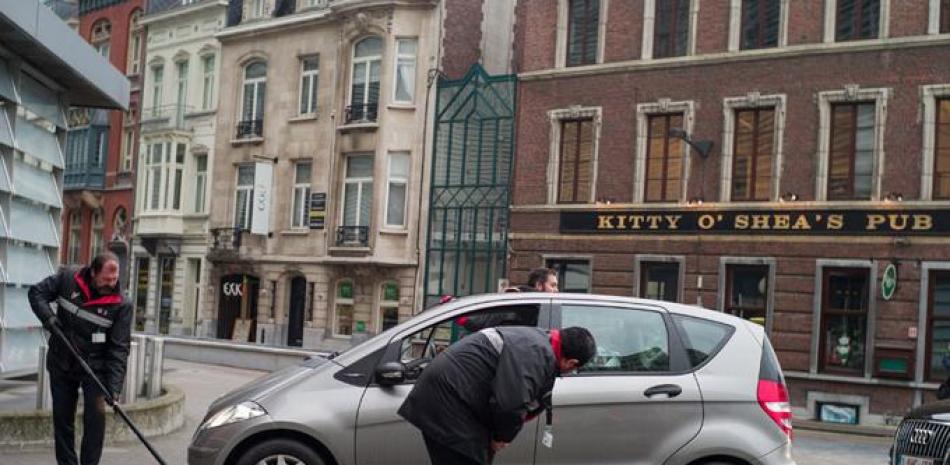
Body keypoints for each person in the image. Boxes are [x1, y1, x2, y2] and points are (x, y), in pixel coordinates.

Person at [398, 325, 596, 465]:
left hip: (449, 396)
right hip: (448, 400)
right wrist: (502, 437)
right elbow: (510, 403)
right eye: (573, 369)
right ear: (571, 363)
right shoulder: (536, 354)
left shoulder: (538, 343)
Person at [28, 252, 132, 465]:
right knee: (63, 420)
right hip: (62, 360)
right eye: (106, 279)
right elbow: (36, 293)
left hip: (96, 367)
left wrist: (113, 388)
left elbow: (119, 349)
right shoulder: (68, 278)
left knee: (95, 422)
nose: (111, 284)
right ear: (93, 272)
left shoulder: (121, 304)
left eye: (115, 279)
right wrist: (49, 319)